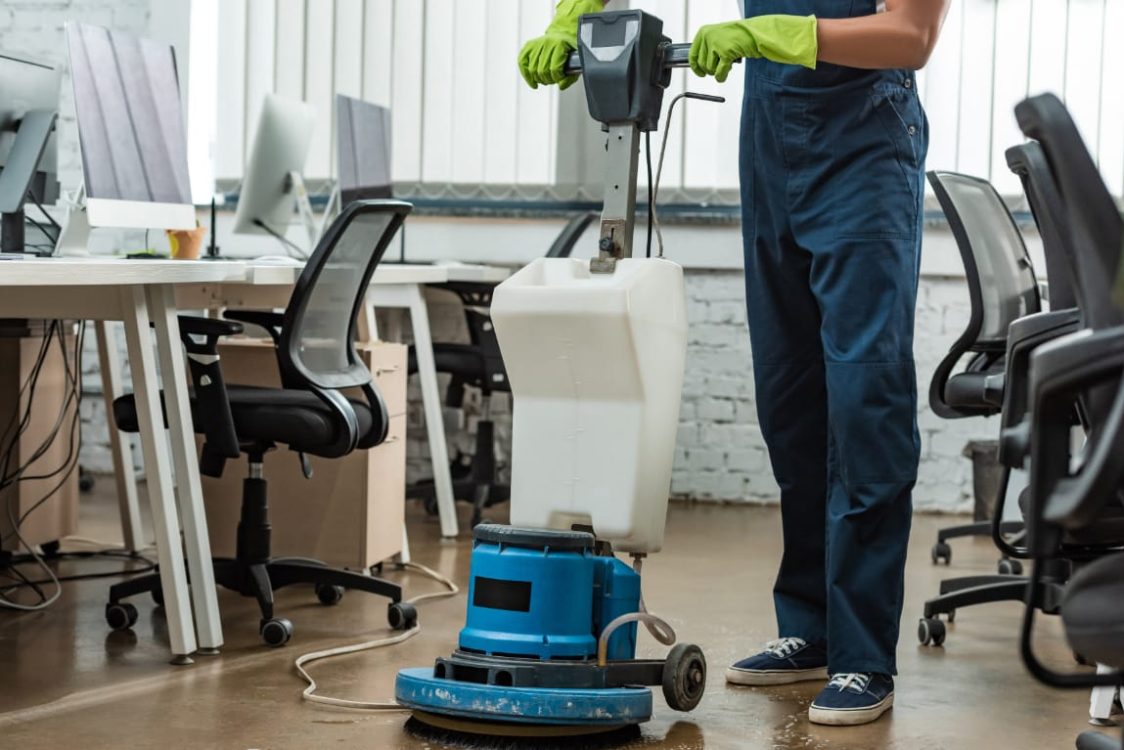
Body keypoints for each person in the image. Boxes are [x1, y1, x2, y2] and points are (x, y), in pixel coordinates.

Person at [519, 0, 949, 727]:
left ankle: (862, 655)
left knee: (863, 401)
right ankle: (810, 628)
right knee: (790, 401)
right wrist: (576, 15)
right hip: (773, 141)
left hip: (865, 144)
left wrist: (778, 33)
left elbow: (911, 36)